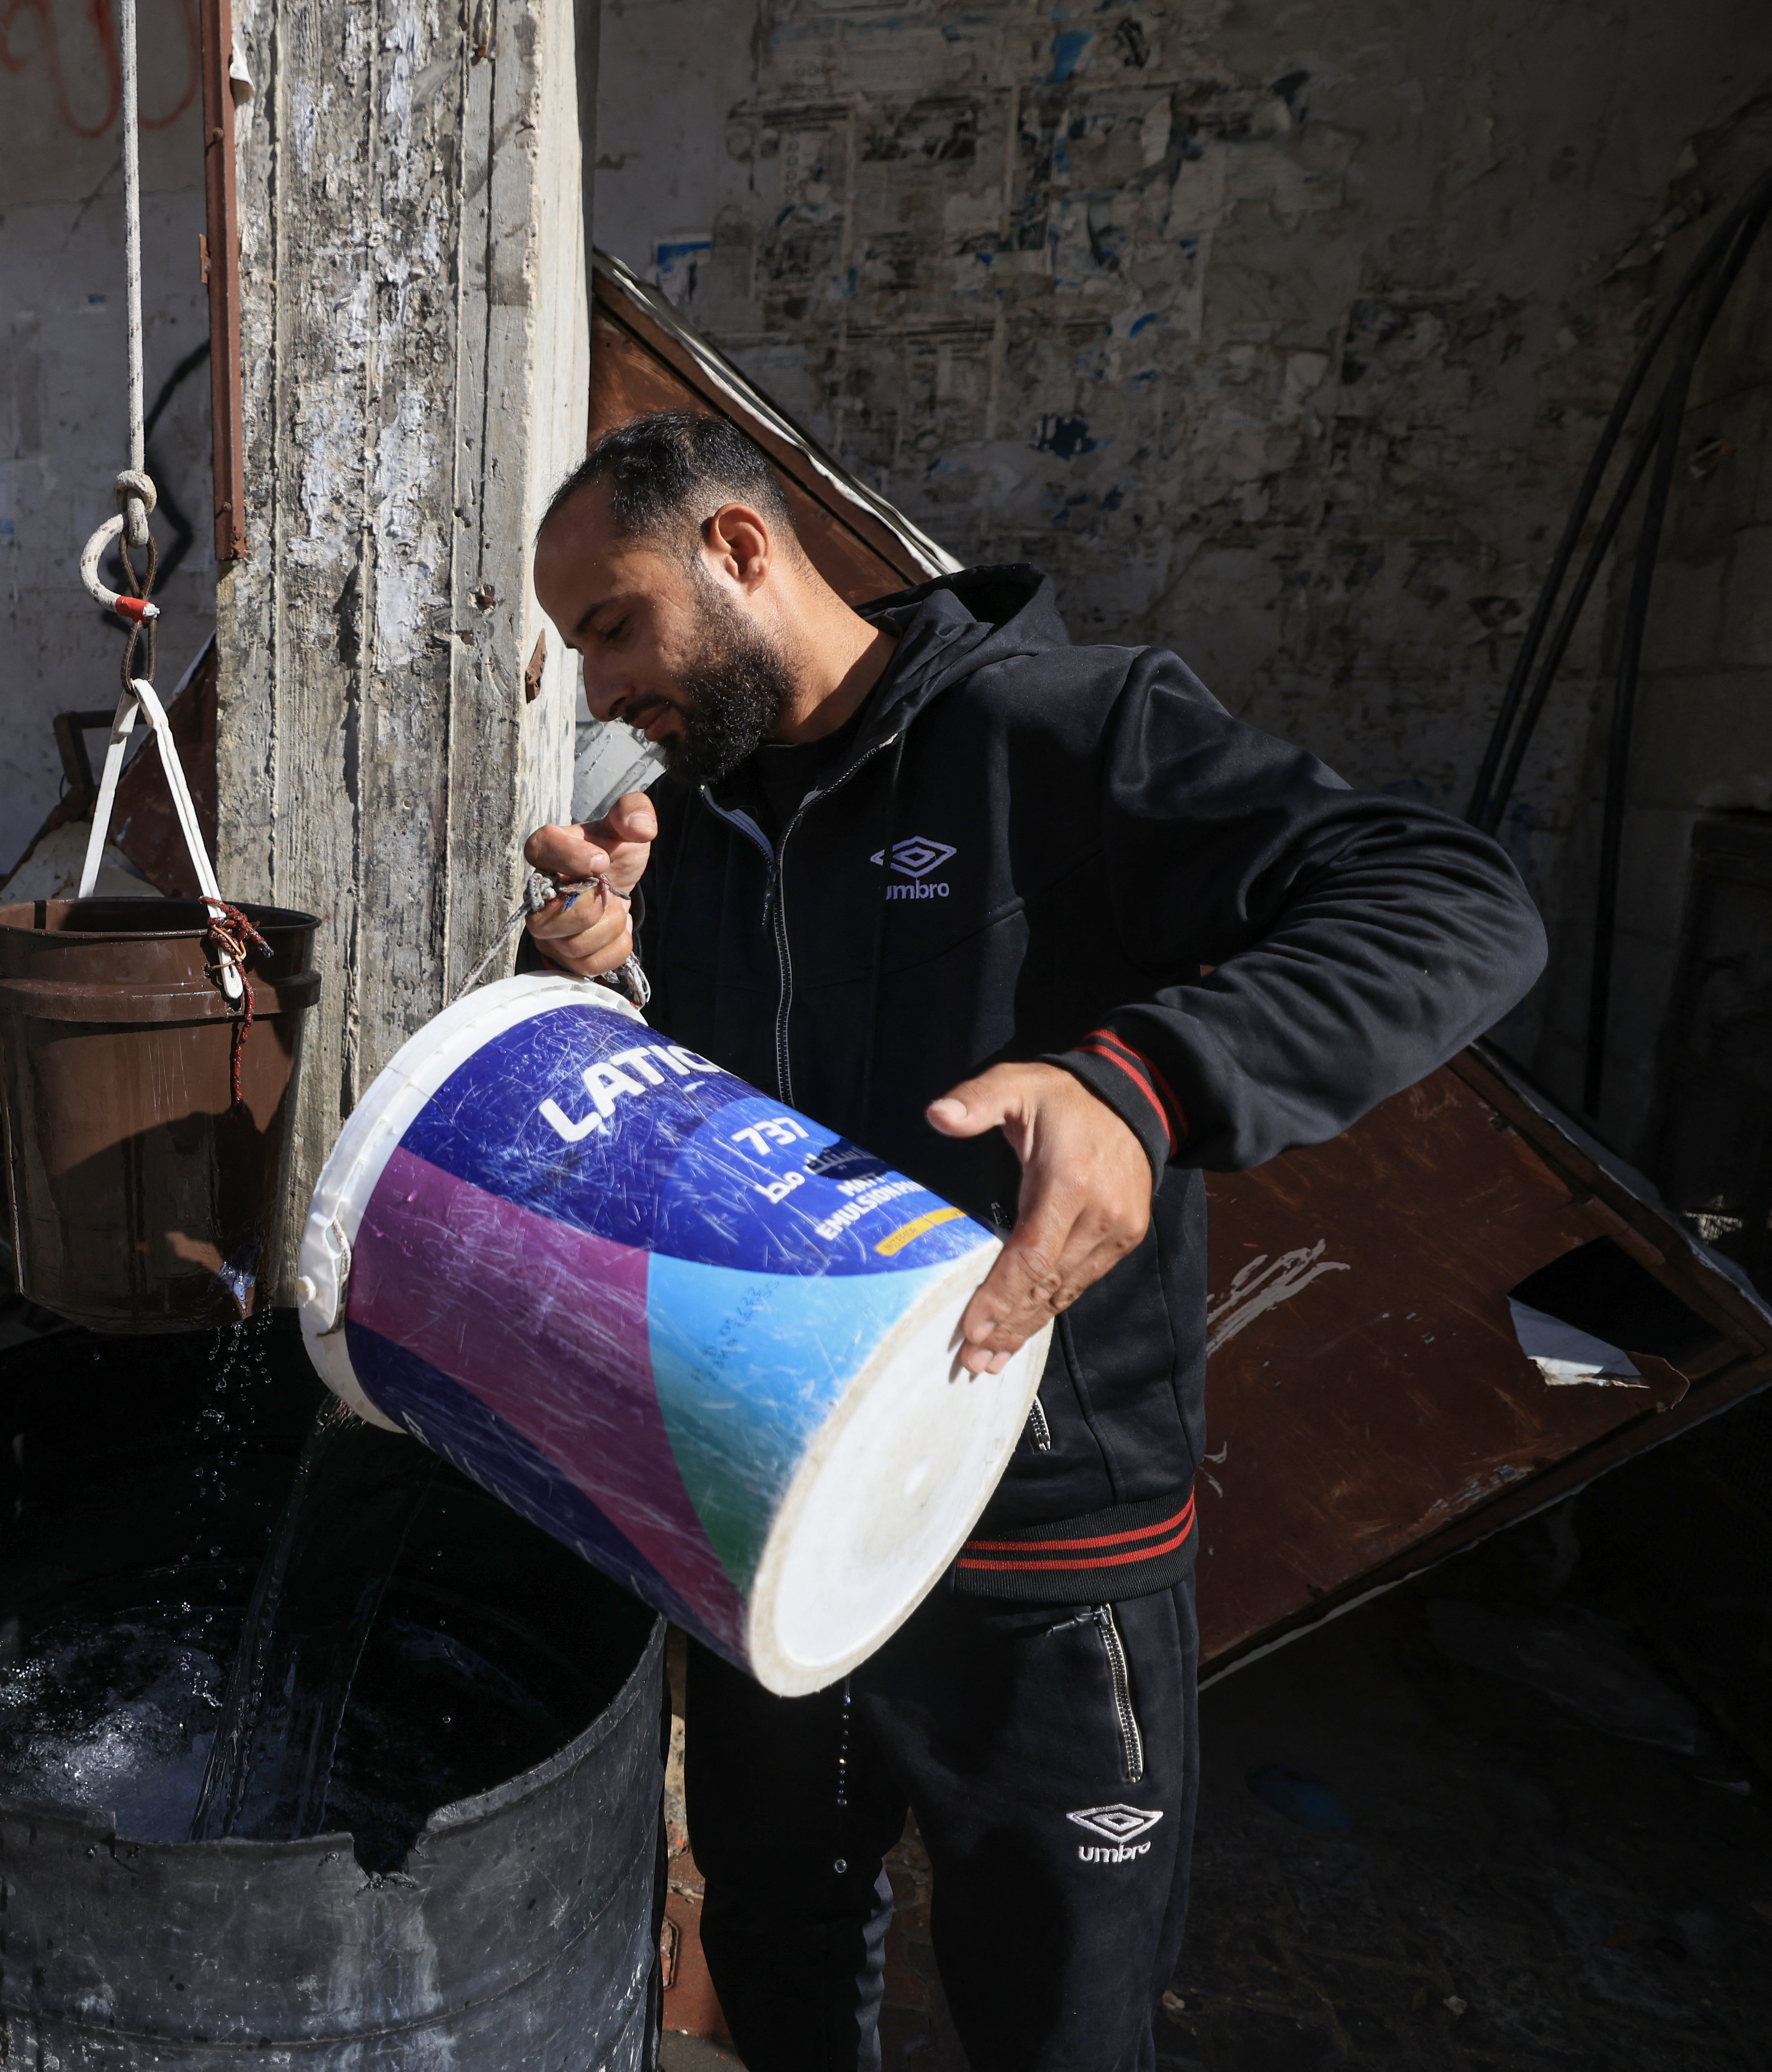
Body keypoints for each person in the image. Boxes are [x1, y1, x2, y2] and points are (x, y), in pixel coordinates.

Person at [521, 412, 1544, 2072]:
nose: (595, 688)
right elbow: (722, 1136)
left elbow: (1448, 900)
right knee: (778, 1958)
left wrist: (1141, 1083)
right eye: (577, 648)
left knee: (1054, 2023)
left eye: (611, 623)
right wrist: (596, 996)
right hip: (778, 1530)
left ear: (735, 548)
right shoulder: (692, 844)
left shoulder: (1067, 728)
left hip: (1041, 1564)